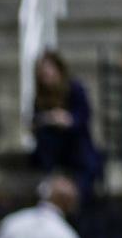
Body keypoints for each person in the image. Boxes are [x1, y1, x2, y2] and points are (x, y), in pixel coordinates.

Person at [31, 50, 102, 202]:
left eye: (49, 71)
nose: (47, 76)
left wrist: (67, 119)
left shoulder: (75, 88)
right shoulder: (40, 96)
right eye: (43, 74)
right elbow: (35, 121)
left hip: (76, 146)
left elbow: (83, 117)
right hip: (53, 148)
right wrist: (49, 119)